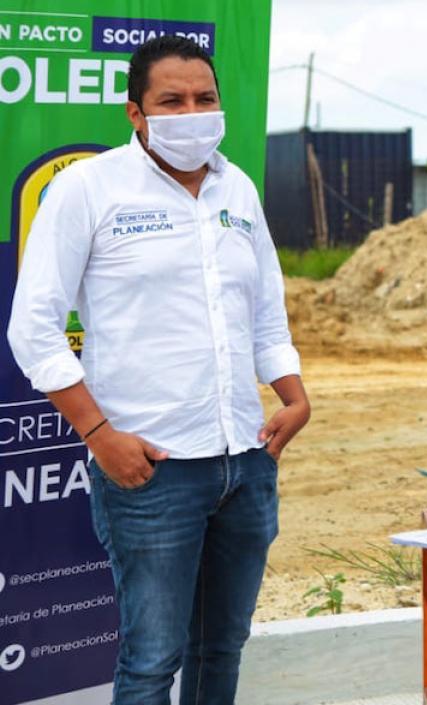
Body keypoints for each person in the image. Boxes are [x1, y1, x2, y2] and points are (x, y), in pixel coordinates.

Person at [8, 36, 309, 705]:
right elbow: (32, 329)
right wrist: (99, 435)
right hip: (153, 468)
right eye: (171, 100)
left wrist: (294, 395)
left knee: (221, 647)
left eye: (204, 98)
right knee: (150, 661)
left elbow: (264, 310)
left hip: (245, 461)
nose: (192, 111)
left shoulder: (238, 188)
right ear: (135, 113)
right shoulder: (87, 188)